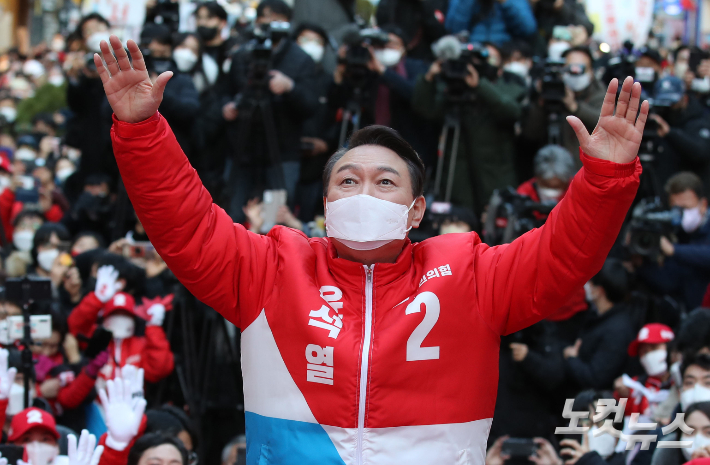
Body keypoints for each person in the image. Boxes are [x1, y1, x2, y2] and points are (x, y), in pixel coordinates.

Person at [95, 32, 648, 462]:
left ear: (416, 210)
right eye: (348, 180)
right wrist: (142, 131)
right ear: (326, 200)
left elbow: (564, 256)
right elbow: (185, 225)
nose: (364, 191)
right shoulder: (271, 267)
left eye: (386, 182)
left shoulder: (470, 273)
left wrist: (606, 178)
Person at [222, 0, 318, 222]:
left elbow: (311, 105)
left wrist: (290, 87)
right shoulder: (243, 54)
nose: (270, 23)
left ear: (288, 23)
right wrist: (228, 106)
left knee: (275, 218)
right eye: (265, 17)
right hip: (242, 148)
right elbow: (226, 91)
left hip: (282, 152)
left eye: (277, 18)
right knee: (234, 215)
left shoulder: (301, 59)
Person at [413, 41, 525, 213]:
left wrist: (480, 86)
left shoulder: (509, 85)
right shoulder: (453, 85)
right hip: (458, 177)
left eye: (488, 57)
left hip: (495, 175)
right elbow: (426, 109)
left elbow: (511, 112)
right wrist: (429, 77)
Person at [522, 46, 606, 167]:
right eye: (570, 68)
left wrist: (574, 106)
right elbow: (529, 134)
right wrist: (541, 100)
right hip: (551, 168)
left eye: (581, 68)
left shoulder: (600, 93)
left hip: (585, 168)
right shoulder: (549, 89)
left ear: (591, 72)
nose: (575, 73)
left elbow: (604, 124)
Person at [636, 172, 710, 310]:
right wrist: (642, 264)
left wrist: (674, 250)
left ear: (703, 205)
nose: (681, 214)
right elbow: (670, 281)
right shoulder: (676, 231)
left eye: (686, 208)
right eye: (676, 209)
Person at [563, 259, 637, 391]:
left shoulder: (617, 331)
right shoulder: (597, 315)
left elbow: (595, 379)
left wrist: (572, 359)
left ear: (599, 291)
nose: (585, 284)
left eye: (590, 281)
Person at [647, 76, 710, 189]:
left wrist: (670, 133)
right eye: (663, 103)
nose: (668, 108)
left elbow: (701, 152)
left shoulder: (700, 120)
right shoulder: (655, 120)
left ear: (684, 99)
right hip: (659, 186)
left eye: (672, 103)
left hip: (688, 191)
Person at [374, 0, 447, 61]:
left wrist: (424, 3)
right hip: (389, 53)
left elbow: (439, 34)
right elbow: (381, 21)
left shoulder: (438, 2)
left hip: (420, 60)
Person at [445, 0, 537, 45]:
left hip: (503, 53)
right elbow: (453, 30)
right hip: (471, 51)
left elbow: (528, 28)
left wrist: (505, 2)